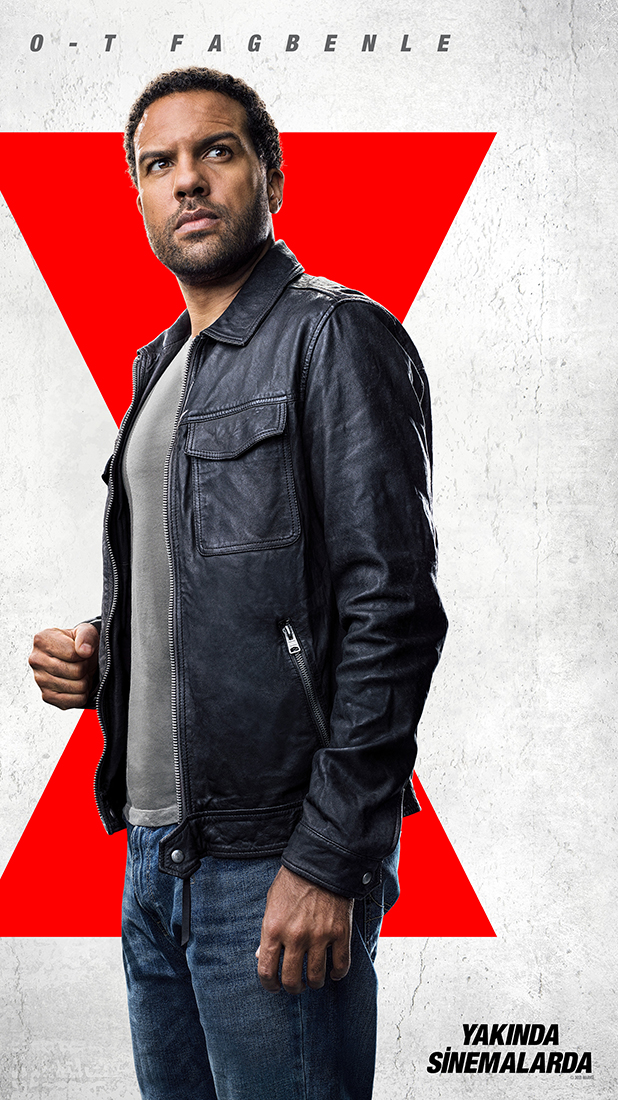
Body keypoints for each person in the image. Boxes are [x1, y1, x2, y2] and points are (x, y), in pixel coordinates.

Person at [29, 66, 447, 1100]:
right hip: (152, 857)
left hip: (275, 857)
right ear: (137, 197)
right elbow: (231, 583)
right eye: (156, 163)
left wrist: (330, 855)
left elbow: (391, 609)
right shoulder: (159, 366)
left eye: (215, 151)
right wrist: (103, 649)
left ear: (271, 177)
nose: (186, 179)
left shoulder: (331, 334)